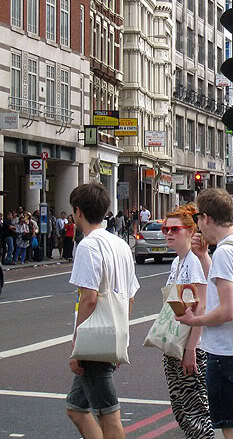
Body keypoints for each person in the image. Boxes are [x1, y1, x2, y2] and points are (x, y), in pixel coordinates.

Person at [177, 188, 233, 439]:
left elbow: (227, 310)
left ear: (208, 218)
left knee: (232, 428)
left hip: (225, 355)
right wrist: (203, 257)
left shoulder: (225, 251)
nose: (198, 226)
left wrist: (195, 320)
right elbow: (226, 287)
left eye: (197, 219)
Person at [66, 182, 140, 439]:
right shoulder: (119, 244)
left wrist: (77, 344)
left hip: (94, 337)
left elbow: (88, 298)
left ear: (78, 211)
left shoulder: (88, 246)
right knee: (76, 409)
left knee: (109, 414)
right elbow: (130, 296)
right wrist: (120, 336)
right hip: (112, 332)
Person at [160, 205, 214, 439]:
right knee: (181, 410)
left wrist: (191, 349)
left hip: (192, 347)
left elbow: (201, 305)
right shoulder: (177, 263)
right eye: (165, 229)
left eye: (174, 229)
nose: (168, 233)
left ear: (191, 231)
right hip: (175, 344)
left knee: (196, 412)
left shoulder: (195, 261)